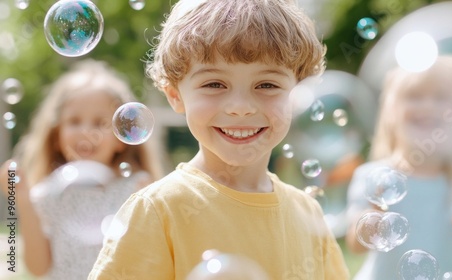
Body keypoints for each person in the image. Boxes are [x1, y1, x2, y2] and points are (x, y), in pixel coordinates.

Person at [88, 0, 350, 279]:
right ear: (175, 95)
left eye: (267, 85)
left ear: (300, 95)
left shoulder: (307, 213)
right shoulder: (159, 210)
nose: (240, 106)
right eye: (214, 84)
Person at [0, 59, 163, 279]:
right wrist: (22, 199)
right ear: (56, 135)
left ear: (122, 138)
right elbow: (37, 268)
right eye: (74, 121)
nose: (86, 132)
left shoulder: (137, 190)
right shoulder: (47, 195)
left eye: (99, 123)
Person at [345, 55, 452, 279]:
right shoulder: (373, 177)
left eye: (441, 97)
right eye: (414, 96)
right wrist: (373, 217)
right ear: (390, 111)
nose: (428, 106)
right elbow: (355, 245)